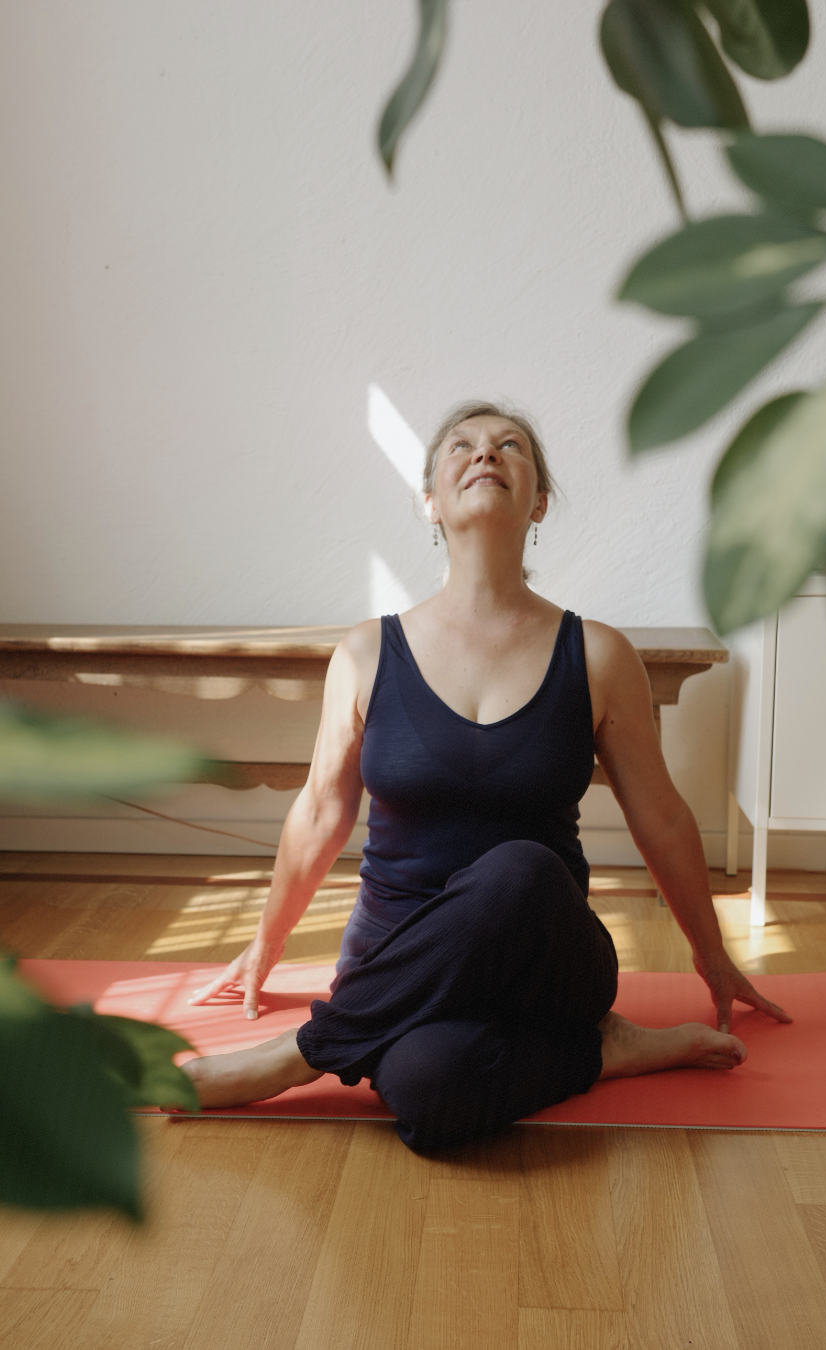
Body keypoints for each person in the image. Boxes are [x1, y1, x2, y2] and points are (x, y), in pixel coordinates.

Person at [184, 400, 791, 1152]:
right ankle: (608, 1051)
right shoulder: (367, 654)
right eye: (461, 448)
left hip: (547, 959)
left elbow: (661, 815)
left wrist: (712, 954)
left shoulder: (598, 654)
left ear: (538, 501)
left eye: (511, 447)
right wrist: (267, 943)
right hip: (401, 965)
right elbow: (319, 812)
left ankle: (289, 1059)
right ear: (431, 501)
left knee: (518, 870)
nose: (486, 454)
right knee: (427, 1092)